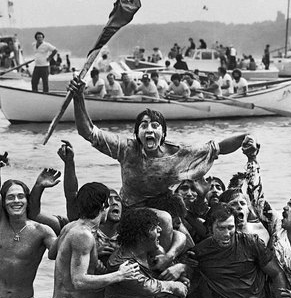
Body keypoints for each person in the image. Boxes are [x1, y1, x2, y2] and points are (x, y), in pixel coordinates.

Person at [69, 78, 254, 208]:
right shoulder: (126, 149)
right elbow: (88, 132)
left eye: (155, 126)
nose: (149, 130)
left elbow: (217, 148)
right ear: (137, 134)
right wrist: (79, 97)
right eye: (144, 126)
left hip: (165, 210)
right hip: (130, 208)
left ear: (163, 134)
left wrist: (246, 137)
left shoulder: (179, 153)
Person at [44, 182, 139, 298]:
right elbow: (79, 281)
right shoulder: (83, 235)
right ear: (104, 206)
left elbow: (52, 253)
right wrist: (119, 275)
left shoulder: (71, 226)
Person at [0, 152, 58, 298]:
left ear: (27, 200)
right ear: (3, 203)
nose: (16, 201)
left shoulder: (42, 231)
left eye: (20, 196)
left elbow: (58, 253)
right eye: (10, 197)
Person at [194, 203, 291, 298]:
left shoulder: (251, 243)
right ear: (210, 228)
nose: (227, 234)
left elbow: (277, 273)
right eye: (221, 228)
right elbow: (190, 279)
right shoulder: (200, 252)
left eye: (230, 228)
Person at [102, 208, 189, 298]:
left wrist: (173, 259)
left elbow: (180, 235)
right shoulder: (121, 263)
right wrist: (174, 286)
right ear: (141, 236)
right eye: (154, 227)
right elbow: (148, 287)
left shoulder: (149, 250)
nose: (160, 230)